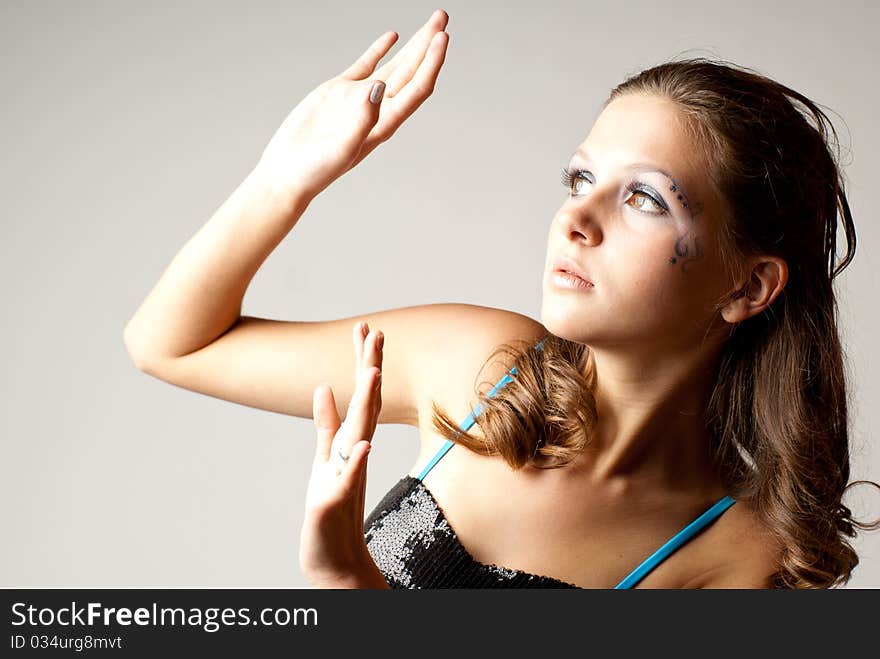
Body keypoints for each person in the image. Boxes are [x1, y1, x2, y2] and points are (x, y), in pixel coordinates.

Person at [123, 9, 879, 589]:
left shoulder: (736, 557)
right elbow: (170, 343)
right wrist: (285, 180)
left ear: (746, 286)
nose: (576, 220)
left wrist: (351, 589)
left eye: (644, 198)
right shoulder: (485, 373)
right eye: (580, 180)